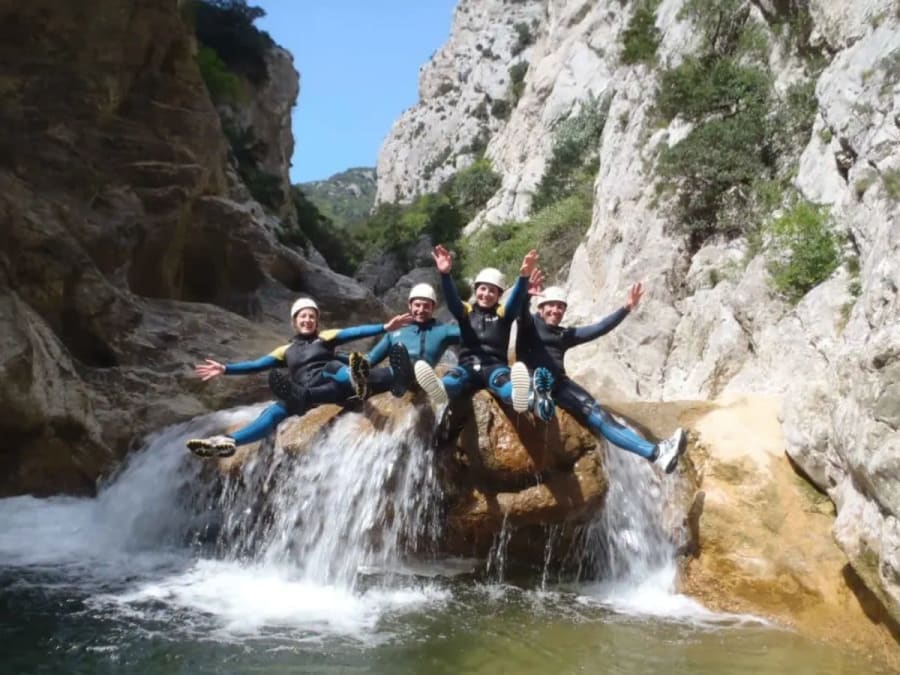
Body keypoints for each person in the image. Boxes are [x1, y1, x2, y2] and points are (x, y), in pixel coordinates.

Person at [186, 297, 411, 457]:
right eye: (303, 316)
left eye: (312, 316)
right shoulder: (285, 351)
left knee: (333, 365)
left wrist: (384, 327)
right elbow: (257, 365)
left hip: (332, 384)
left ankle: (356, 380)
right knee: (274, 410)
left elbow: (354, 332)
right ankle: (229, 442)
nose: (307, 320)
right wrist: (226, 369)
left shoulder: (325, 337)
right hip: (305, 394)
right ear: (295, 321)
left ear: (316, 321)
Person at [516, 276, 686, 473]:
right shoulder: (529, 324)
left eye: (560, 307)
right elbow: (520, 311)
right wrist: (525, 294)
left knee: (598, 413)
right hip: (533, 377)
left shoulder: (564, 335)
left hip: (559, 385)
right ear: (541, 308)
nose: (555, 310)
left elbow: (599, 329)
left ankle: (656, 454)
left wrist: (626, 308)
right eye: (551, 306)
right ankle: (533, 394)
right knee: (537, 379)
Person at [412, 245, 538, 412]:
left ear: (499, 295)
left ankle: (517, 396)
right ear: (476, 290)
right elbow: (452, 300)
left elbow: (515, 302)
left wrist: (523, 277)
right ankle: (440, 389)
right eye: (482, 289)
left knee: (504, 383)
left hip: (495, 367)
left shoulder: (503, 313)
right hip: (467, 366)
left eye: (492, 291)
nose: (486, 294)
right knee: (454, 378)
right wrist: (445, 274)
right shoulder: (466, 311)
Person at [301, 283, 462, 399]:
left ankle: (393, 380)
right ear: (409, 305)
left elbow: (470, 335)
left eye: (426, 306)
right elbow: (371, 359)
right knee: (333, 366)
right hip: (392, 375)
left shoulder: (443, 329)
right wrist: (343, 358)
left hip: (421, 375)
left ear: (433, 308)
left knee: (400, 362)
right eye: (417, 305)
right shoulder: (395, 332)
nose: (421, 310)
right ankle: (360, 382)